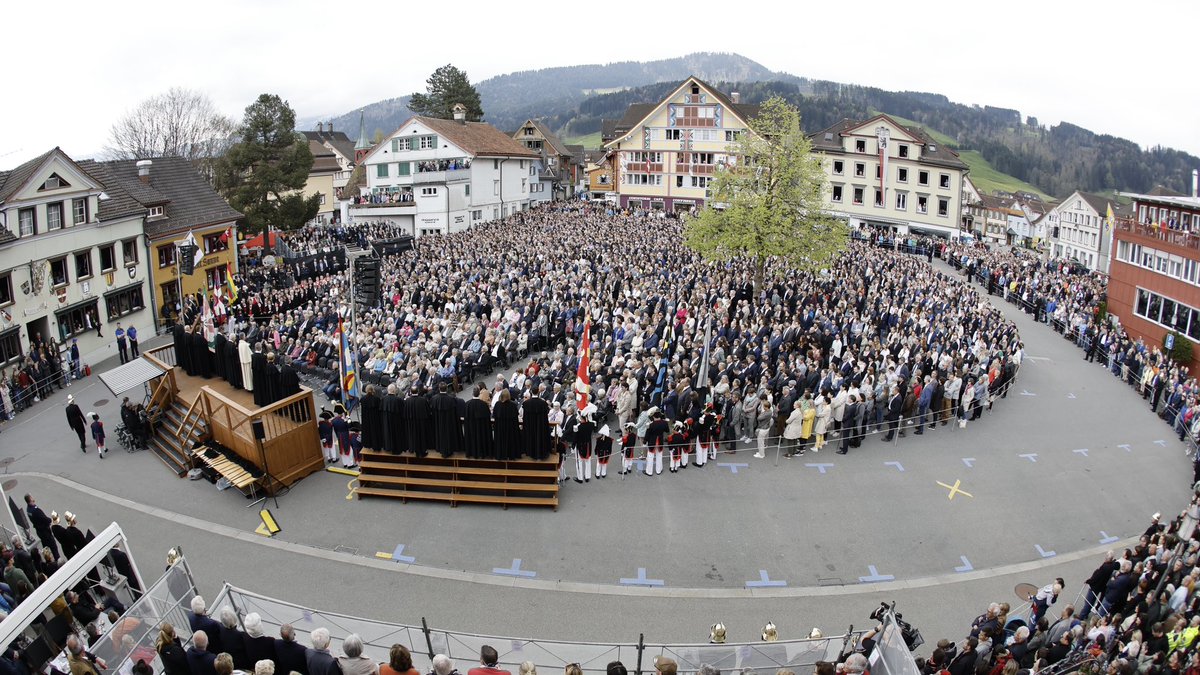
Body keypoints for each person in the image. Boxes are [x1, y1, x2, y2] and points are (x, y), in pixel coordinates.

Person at [24, 494, 58, 560]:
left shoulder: (28, 510)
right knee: (53, 547)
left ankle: (48, 559)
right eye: (31, 497)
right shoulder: (36, 510)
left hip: (39, 531)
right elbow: (44, 519)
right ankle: (58, 560)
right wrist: (50, 520)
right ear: (30, 499)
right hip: (45, 531)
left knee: (45, 548)